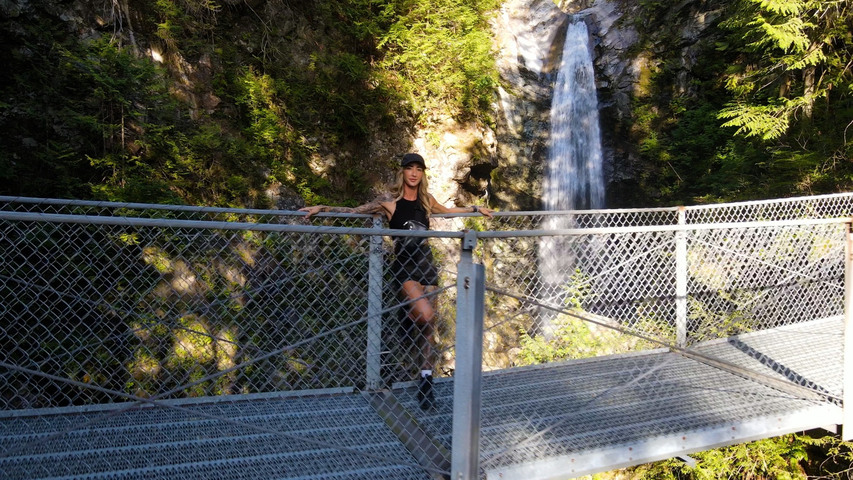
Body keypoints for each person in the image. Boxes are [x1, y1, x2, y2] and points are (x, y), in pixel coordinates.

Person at [300, 152, 493, 409]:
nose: (414, 173)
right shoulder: (389, 203)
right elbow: (353, 211)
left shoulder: (427, 201)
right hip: (405, 266)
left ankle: (426, 380)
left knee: (428, 327)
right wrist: (321, 208)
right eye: (409, 168)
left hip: (426, 264)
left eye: (418, 169)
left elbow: (448, 211)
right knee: (425, 315)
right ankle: (408, 315)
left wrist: (476, 209)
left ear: (422, 174)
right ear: (402, 172)